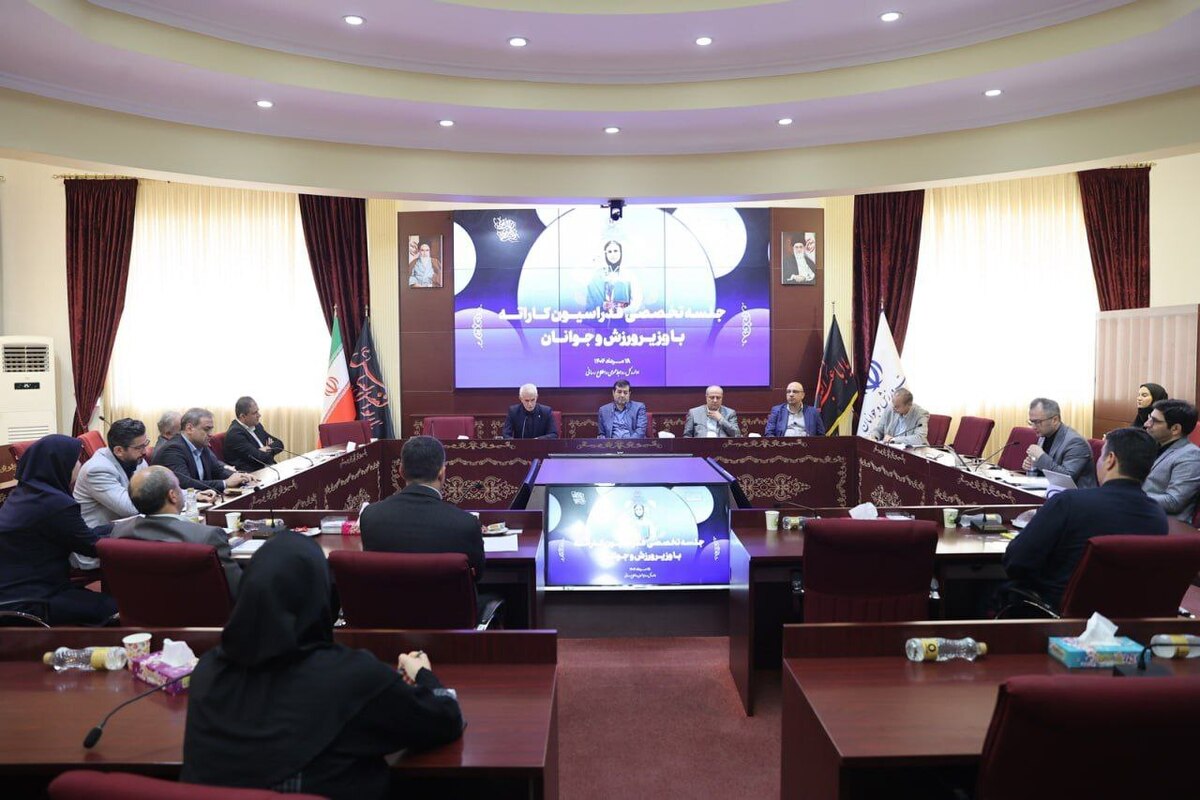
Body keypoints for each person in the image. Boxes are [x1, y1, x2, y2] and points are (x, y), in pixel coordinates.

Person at [181, 533, 464, 799]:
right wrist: (424, 675)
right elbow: (445, 720)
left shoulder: (207, 673)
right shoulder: (352, 678)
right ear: (321, 598)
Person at [1002, 427, 1167, 610]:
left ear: (1110, 460)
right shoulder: (1157, 516)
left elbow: (1016, 561)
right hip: (1124, 615)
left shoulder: (1069, 502)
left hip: (1054, 611)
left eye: (1101, 456)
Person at [0, 435, 117, 625]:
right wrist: (131, 539)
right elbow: (91, 546)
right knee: (117, 610)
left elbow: (79, 534)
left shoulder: (27, 493)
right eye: (77, 460)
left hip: (17, 592)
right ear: (61, 464)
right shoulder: (54, 503)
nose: (81, 464)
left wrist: (115, 528)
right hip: (32, 600)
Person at [360, 436, 485, 582]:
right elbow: (478, 574)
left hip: (390, 597)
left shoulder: (370, 517)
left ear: (401, 471)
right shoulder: (466, 524)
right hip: (444, 597)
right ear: (441, 473)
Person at [113, 466, 242, 597]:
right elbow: (239, 591)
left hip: (139, 608)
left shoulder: (119, 532)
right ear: (173, 496)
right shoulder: (206, 537)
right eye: (179, 487)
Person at [152, 407, 254, 493]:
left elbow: (218, 470)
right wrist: (225, 483)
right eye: (206, 429)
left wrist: (240, 477)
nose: (211, 434)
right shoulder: (173, 449)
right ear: (189, 428)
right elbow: (186, 484)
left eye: (211, 429)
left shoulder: (201, 445)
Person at [73, 417, 150, 527]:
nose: (145, 451)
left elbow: (150, 486)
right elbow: (130, 508)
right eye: (139, 447)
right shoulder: (97, 470)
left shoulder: (136, 458)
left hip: (126, 524)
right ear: (119, 450)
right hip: (100, 532)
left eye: (145, 444)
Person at [1142, 399, 1200, 522]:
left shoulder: (1190, 456)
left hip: (1164, 522)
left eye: (1154, 421)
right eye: (1149, 418)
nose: (1147, 424)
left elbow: (1173, 501)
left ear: (1175, 429)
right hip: (1142, 513)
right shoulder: (1154, 446)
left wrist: (1131, 496)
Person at [1022, 397, 1096, 488]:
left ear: (1055, 420)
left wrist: (1041, 457)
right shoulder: (1043, 435)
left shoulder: (1076, 442)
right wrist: (1032, 465)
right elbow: (1043, 468)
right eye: (1031, 422)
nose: (1033, 427)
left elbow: (1065, 479)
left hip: (1074, 494)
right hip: (1048, 490)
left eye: (1037, 422)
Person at [223, 396, 285, 473]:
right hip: (252, 474)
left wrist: (268, 448)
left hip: (268, 469)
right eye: (255, 413)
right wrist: (271, 450)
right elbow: (260, 458)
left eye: (258, 411)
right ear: (243, 416)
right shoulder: (235, 434)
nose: (259, 415)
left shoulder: (257, 426)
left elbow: (279, 444)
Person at [585, 240, 641, 315]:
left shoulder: (629, 275)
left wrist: (623, 312)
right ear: (605, 254)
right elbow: (592, 299)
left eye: (615, 251)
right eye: (610, 252)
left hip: (623, 317)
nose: (613, 254)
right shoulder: (598, 275)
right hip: (602, 317)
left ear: (620, 253)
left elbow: (636, 301)